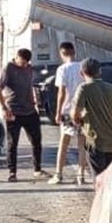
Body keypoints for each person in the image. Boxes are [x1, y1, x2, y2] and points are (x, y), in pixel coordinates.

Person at [0, 47, 45, 182]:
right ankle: (12, 172)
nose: (24, 65)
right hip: (14, 111)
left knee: (36, 141)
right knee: (12, 143)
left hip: (29, 110)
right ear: (17, 58)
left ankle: (37, 169)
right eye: (22, 62)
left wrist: (34, 101)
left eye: (26, 63)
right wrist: (4, 108)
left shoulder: (29, 68)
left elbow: (29, 86)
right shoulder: (8, 68)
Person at [71, 58, 112, 178]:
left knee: (99, 178)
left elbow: (75, 114)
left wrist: (80, 120)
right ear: (100, 72)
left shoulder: (84, 88)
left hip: (95, 141)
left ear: (81, 73)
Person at [48, 42, 89, 186]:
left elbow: (61, 92)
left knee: (64, 143)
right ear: (74, 52)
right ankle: (81, 175)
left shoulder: (62, 69)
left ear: (61, 54)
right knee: (82, 144)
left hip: (68, 110)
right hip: (83, 110)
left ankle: (58, 175)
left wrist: (58, 112)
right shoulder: (83, 67)